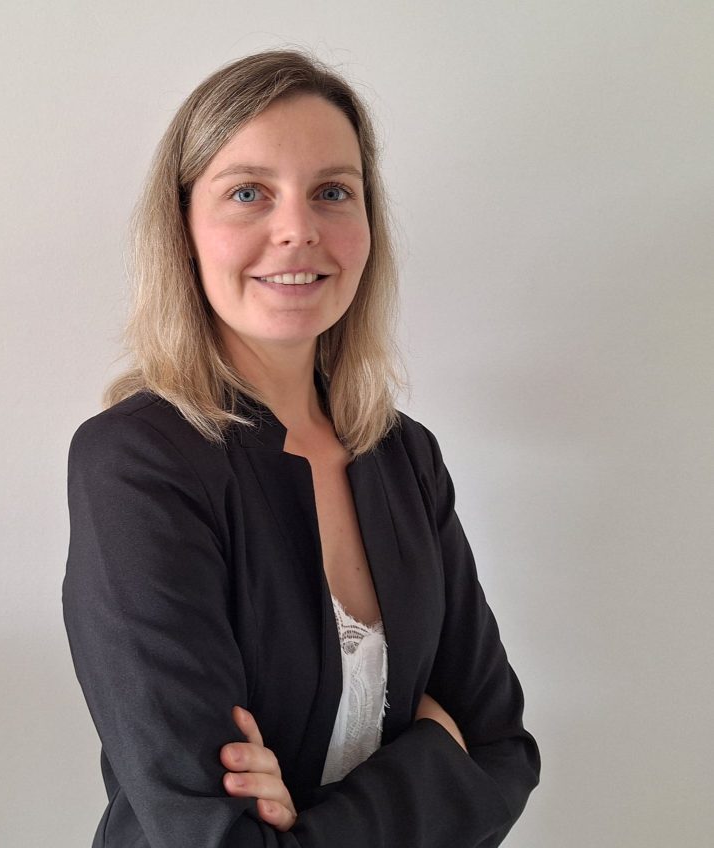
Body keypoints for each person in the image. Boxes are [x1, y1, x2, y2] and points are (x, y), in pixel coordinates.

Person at [63, 49, 541, 847]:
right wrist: (435, 761)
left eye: (331, 192)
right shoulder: (136, 462)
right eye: (248, 192)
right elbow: (211, 836)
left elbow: (503, 753)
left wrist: (304, 823)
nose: (297, 229)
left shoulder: (406, 457)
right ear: (182, 229)